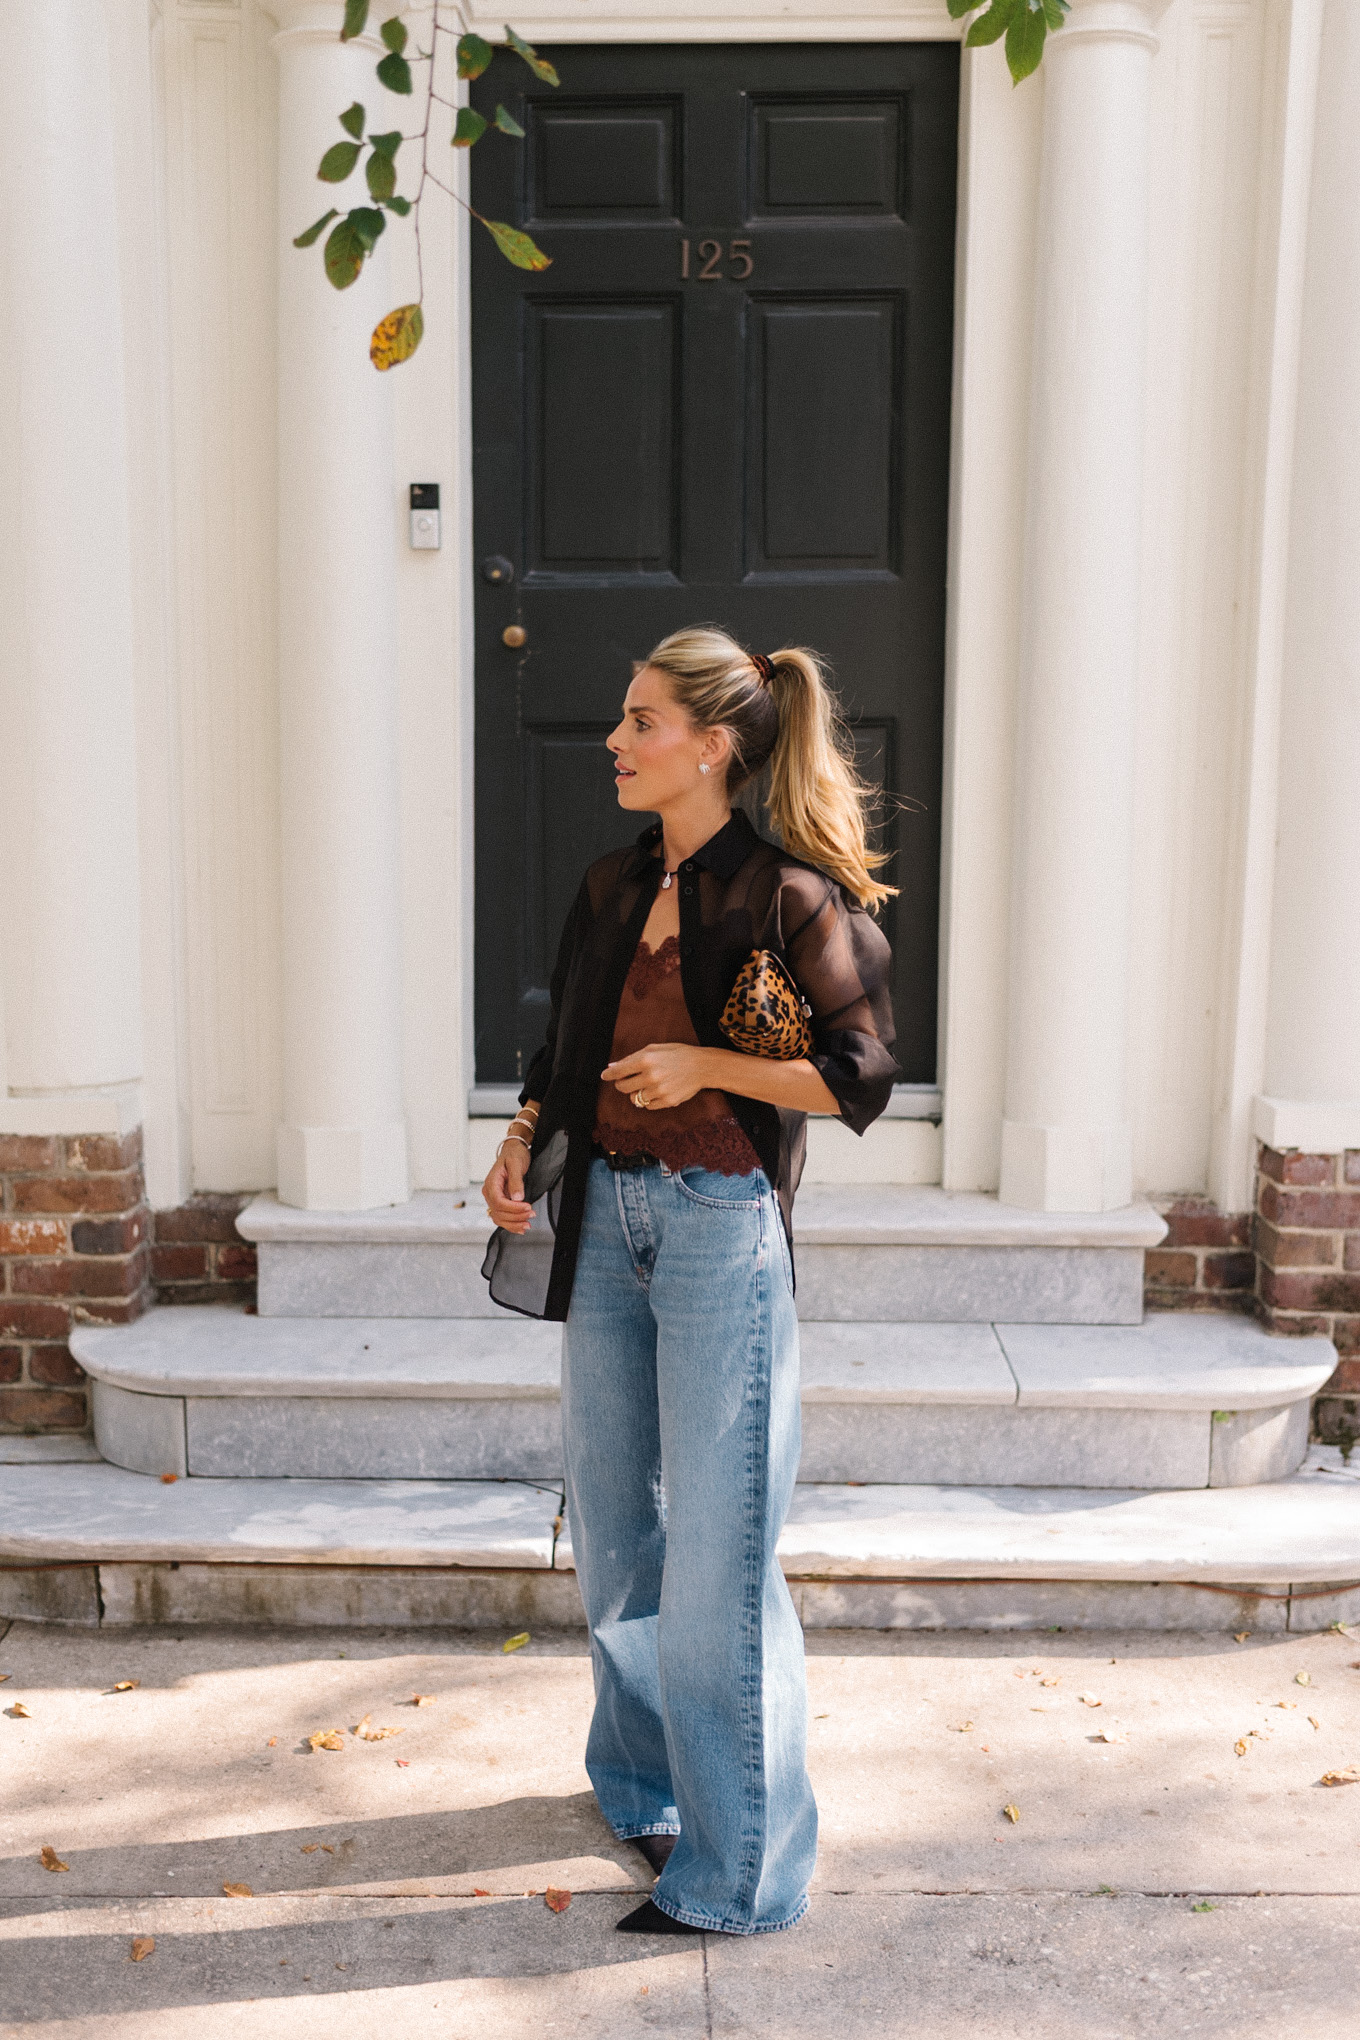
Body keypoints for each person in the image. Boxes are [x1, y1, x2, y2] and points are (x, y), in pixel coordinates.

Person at [481, 625, 900, 1936]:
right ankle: (643, 1788)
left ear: (713, 746)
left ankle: (744, 1873)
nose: (614, 740)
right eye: (621, 719)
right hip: (606, 1221)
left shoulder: (788, 895)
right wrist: (516, 1144)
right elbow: (566, 1039)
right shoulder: (615, 884)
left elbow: (860, 1073)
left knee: (720, 1560)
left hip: (721, 1229)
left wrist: (711, 1069)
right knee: (615, 1531)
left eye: (641, 721)